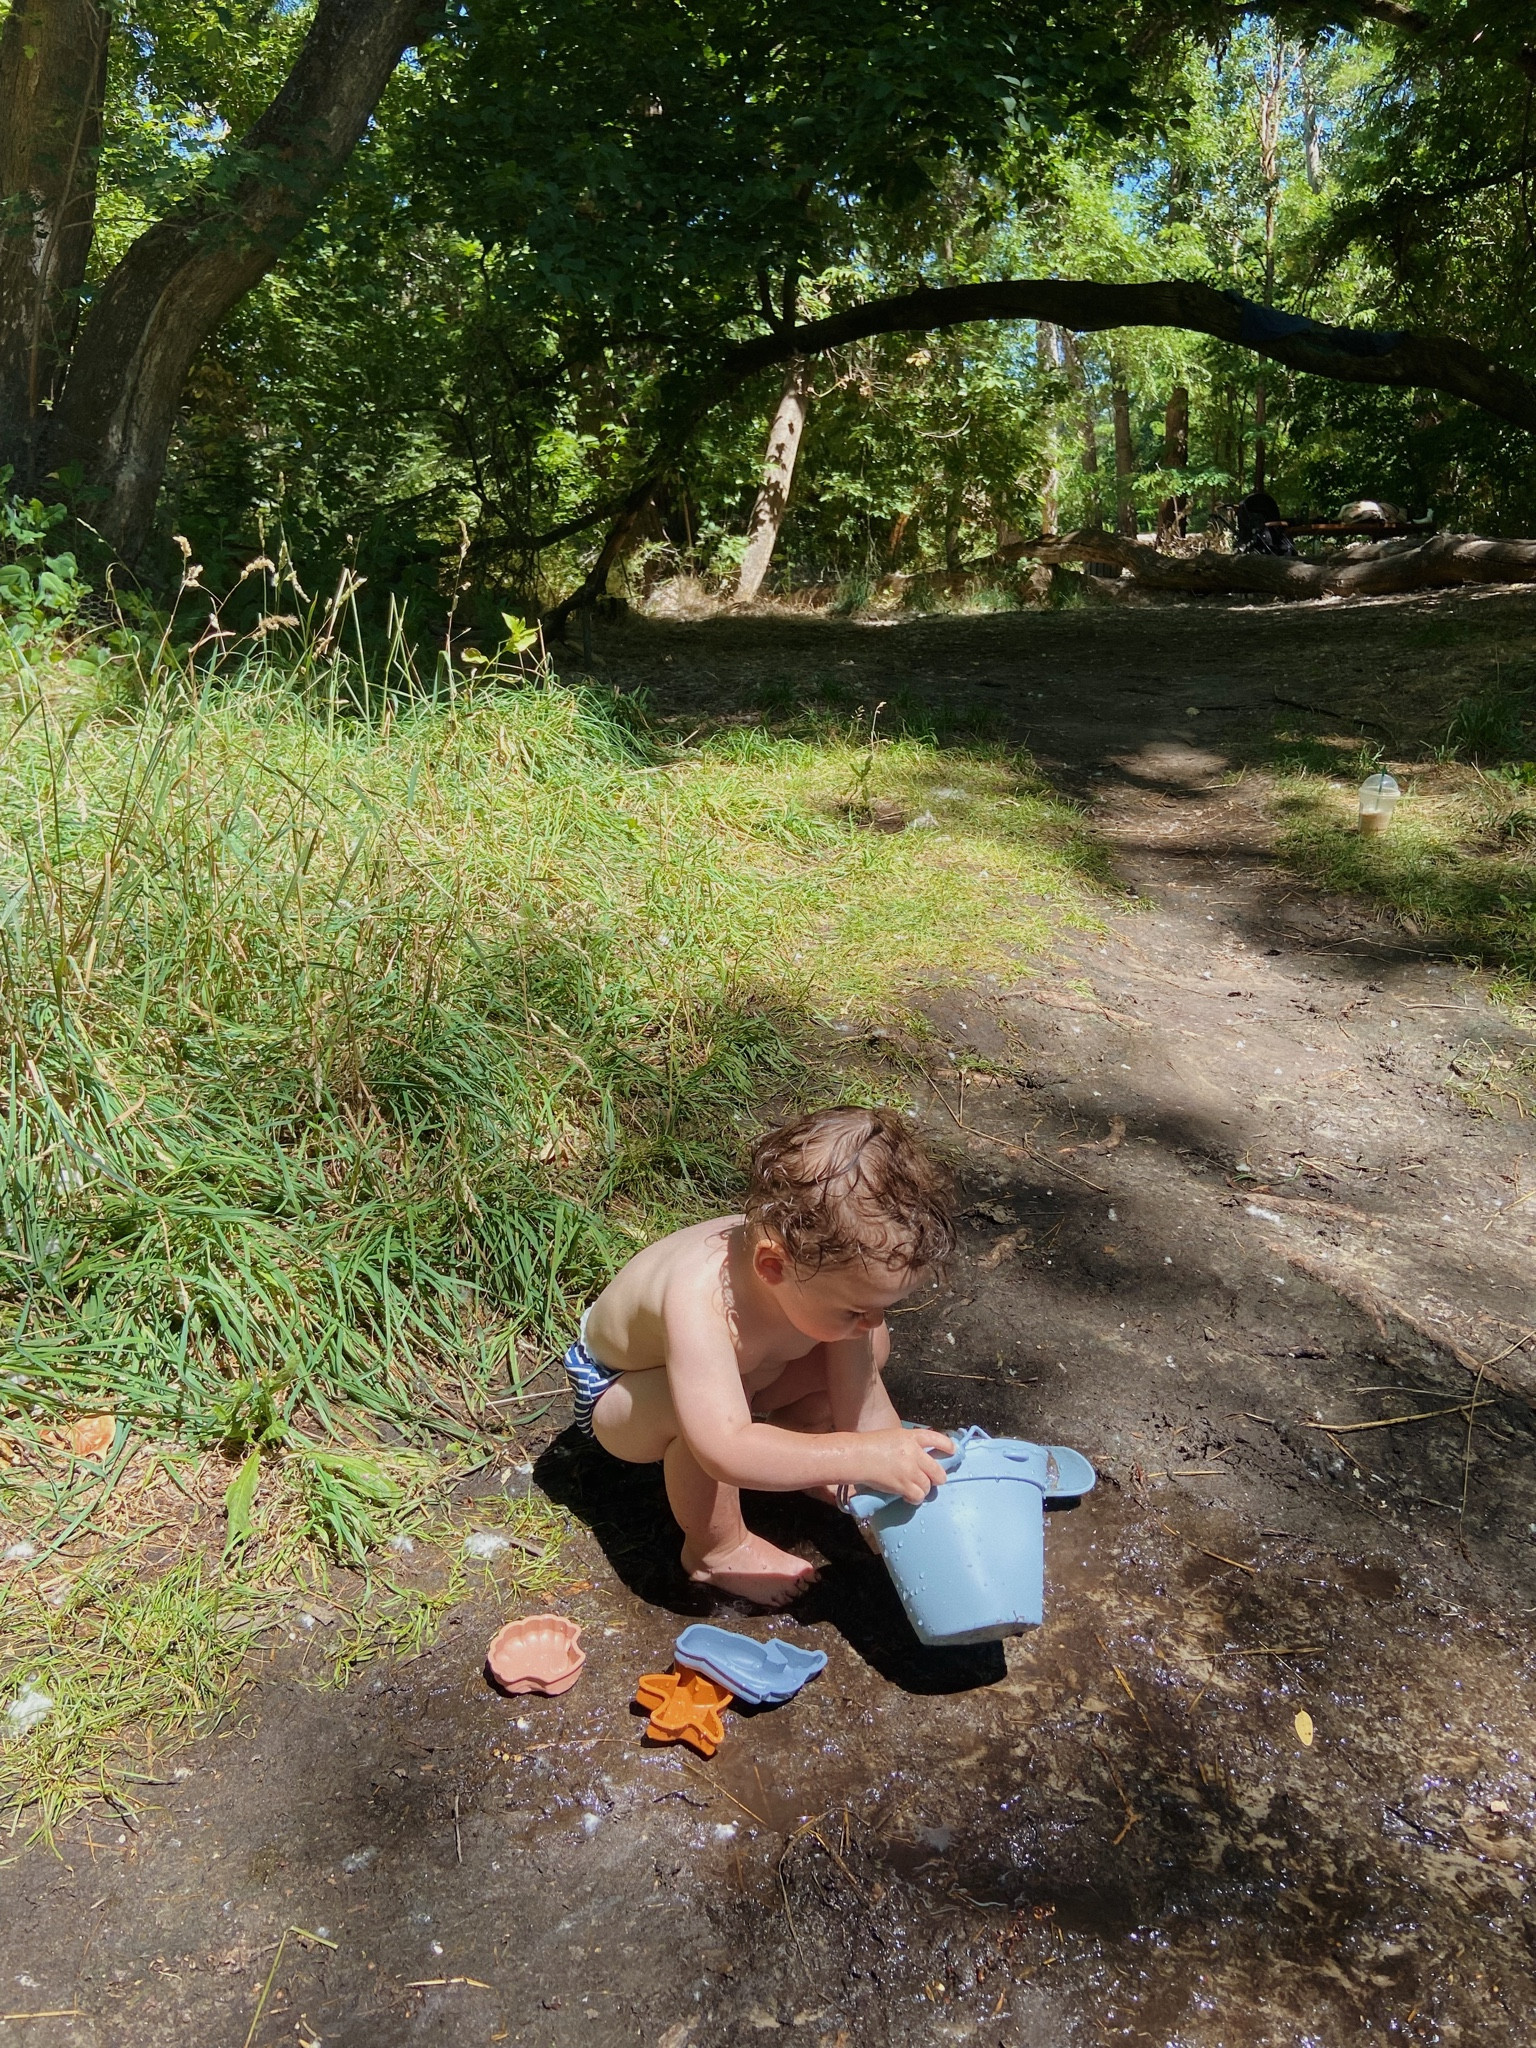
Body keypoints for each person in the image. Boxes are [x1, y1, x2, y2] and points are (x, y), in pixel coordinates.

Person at [566, 1106, 957, 1606]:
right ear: (772, 1266)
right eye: (860, 1307)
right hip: (624, 1393)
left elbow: (866, 1408)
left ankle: (799, 1457)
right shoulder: (698, 1295)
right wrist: (859, 1454)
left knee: (869, 1350)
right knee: (698, 1423)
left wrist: (886, 1472)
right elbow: (721, 1446)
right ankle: (715, 1549)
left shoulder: (817, 1272)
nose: (873, 1319)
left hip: (742, 1382)